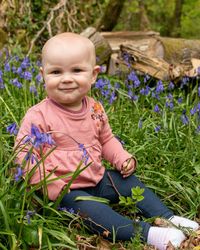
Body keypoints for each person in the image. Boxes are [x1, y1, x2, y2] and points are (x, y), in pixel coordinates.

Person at [15, 32, 199, 250]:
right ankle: (148, 234)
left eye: (76, 70)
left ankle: (167, 216)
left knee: (130, 184)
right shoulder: (38, 115)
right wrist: (53, 187)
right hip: (65, 192)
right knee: (96, 213)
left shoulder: (95, 109)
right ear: (42, 75)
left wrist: (122, 158)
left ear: (93, 75)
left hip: (97, 179)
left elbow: (107, 139)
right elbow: (25, 156)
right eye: (56, 72)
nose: (66, 78)